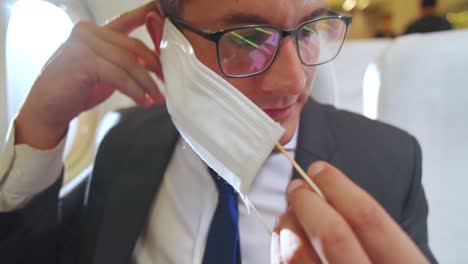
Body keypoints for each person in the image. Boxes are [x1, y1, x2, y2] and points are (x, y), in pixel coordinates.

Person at [0, 0, 436, 263]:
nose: (295, 81)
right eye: (246, 39)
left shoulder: (389, 163)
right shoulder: (123, 142)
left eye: (310, 30)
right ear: (163, 38)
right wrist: (41, 126)